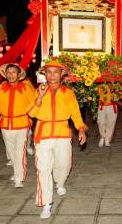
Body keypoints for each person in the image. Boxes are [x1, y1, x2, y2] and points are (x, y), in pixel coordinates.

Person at [27, 60, 87, 219]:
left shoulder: (68, 92)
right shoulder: (38, 89)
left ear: (61, 75)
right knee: (43, 169)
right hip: (43, 134)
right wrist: (39, 97)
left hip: (62, 133)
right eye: (49, 72)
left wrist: (80, 129)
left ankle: (60, 182)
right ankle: (47, 203)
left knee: (64, 164)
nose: (52, 75)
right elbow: (31, 113)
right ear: (44, 74)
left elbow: (75, 113)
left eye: (55, 72)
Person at [0, 63, 35, 188]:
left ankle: (19, 178)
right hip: (5, 125)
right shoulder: (0, 88)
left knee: (19, 152)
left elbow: (35, 105)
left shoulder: (27, 88)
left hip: (22, 124)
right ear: (5, 74)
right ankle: (17, 171)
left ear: (19, 75)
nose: (11, 75)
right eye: (9, 72)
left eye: (14, 72)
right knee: (10, 152)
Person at [97, 83, 118, 147]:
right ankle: (102, 137)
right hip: (102, 106)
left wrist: (113, 86)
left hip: (111, 106)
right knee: (101, 122)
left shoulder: (115, 84)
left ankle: (107, 139)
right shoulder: (99, 84)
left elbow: (118, 95)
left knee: (111, 123)